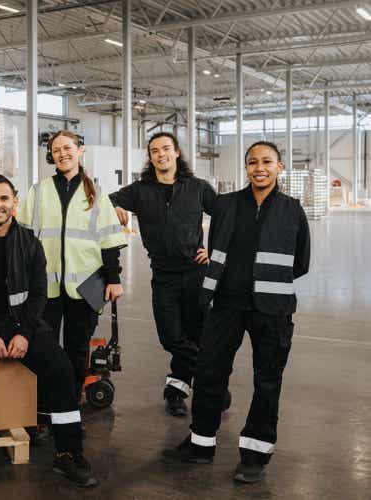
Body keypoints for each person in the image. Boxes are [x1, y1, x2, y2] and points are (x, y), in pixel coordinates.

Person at [163, 142, 311, 484]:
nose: (259, 167)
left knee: (267, 380)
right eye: (252, 162)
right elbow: (216, 249)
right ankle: (200, 443)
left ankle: (256, 453)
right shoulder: (227, 205)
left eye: (267, 162)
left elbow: (300, 262)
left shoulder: (292, 210)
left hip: (271, 309)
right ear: (245, 167)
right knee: (210, 372)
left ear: (279, 166)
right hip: (226, 304)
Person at [0, 175, 98, 496]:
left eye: (4, 199)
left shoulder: (30, 242)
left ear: (15, 202)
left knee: (61, 369)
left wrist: (25, 334)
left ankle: (68, 452)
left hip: (22, 326)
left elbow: (39, 296)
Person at [109, 132, 217, 417]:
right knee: (171, 336)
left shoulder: (197, 187)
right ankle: (212, 380)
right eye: (154, 150)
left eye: (166, 149)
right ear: (150, 156)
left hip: (196, 272)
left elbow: (224, 216)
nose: (161, 154)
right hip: (164, 274)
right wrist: (117, 206)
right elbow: (106, 202)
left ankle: (175, 393)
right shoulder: (140, 190)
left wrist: (214, 251)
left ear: (177, 153)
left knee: (196, 334)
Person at [17, 130, 126, 404]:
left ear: (80, 150)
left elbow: (109, 239)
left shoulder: (95, 193)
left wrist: (113, 278)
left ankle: (71, 402)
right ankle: (45, 404)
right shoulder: (39, 191)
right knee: (46, 347)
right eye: (56, 150)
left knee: (78, 348)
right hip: (46, 287)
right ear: (50, 156)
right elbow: (23, 237)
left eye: (67, 148)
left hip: (86, 285)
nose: (62, 153)